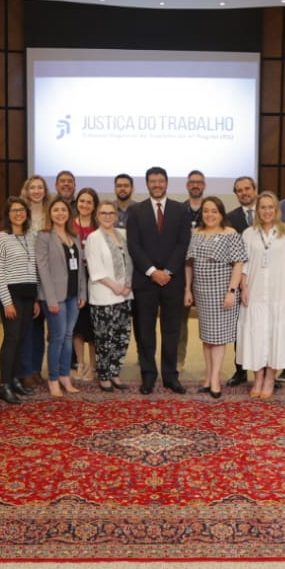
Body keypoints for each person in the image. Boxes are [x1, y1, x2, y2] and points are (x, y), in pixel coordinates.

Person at [125, 166, 192, 394]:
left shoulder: (180, 210)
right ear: (147, 184)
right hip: (145, 281)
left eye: (160, 181)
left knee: (171, 331)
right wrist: (153, 271)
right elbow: (134, 245)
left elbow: (183, 243)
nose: (157, 185)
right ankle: (148, 376)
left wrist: (169, 271)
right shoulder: (135, 211)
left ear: (166, 183)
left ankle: (170, 376)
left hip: (173, 281)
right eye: (152, 181)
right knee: (145, 331)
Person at [237, 192, 285, 398]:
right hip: (255, 292)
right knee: (256, 333)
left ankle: (270, 378)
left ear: (276, 209)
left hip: (279, 294)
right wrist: (244, 288)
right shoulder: (248, 233)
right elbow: (243, 265)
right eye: (262, 207)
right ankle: (258, 377)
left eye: (270, 207)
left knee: (275, 334)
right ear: (258, 210)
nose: (266, 211)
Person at [185, 195, 246, 398]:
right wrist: (187, 289)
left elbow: (238, 264)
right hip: (202, 292)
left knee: (218, 338)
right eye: (206, 211)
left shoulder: (231, 233)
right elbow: (189, 264)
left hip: (222, 292)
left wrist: (232, 291)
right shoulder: (196, 233)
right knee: (207, 337)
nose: (210, 215)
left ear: (221, 213)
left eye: (214, 211)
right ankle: (208, 377)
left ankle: (215, 380)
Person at [0, 197, 41, 404]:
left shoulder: (31, 236)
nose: (18, 213)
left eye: (21, 210)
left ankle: (14, 379)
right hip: (11, 295)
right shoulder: (1, 238)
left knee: (22, 338)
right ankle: (4, 385)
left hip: (29, 294)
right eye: (14, 210)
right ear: (8, 214)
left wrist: (36, 298)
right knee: (11, 339)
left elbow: (35, 268)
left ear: (27, 214)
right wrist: (6, 302)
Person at [37, 196, 86, 396]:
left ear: (69, 214)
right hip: (55, 296)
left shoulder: (73, 237)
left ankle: (66, 376)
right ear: (50, 213)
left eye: (63, 210)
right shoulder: (44, 236)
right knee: (57, 338)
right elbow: (43, 268)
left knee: (68, 337)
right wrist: (50, 299)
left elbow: (80, 269)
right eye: (56, 210)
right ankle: (54, 378)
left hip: (73, 294)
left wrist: (82, 292)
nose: (60, 213)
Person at [86, 200, 135, 391]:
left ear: (116, 216)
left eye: (111, 213)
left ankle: (115, 372)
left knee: (122, 337)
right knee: (104, 338)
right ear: (97, 216)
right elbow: (95, 269)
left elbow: (131, 262)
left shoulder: (123, 235)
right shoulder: (93, 238)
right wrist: (116, 286)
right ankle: (104, 375)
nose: (107, 216)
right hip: (104, 296)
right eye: (103, 213)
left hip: (125, 295)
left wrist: (127, 286)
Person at [223, 175, 260, 388]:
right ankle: (240, 370)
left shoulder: (267, 213)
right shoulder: (229, 218)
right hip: (239, 277)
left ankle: (264, 370)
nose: (244, 193)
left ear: (254, 190)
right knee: (241, 326)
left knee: (263, 325)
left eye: (247, 189)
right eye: (239, 190)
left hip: (264, 277)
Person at [20, 174, 52, 385]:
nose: (37, 191)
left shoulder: (52, 213)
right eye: (33, 187)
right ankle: (25, 370)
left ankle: (36, 369)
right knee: (27, 325)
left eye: (40, 187)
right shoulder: (21, 214)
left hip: (48, 276)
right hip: (26, 273)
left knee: (41, 327)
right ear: (27, 190)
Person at [71, 188, 101, 379]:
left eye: (89, 202)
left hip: (96, 279)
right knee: (77, 326)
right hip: (74, 279)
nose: (85, 205)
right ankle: (80, 363)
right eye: (82, 201)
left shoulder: (99, 226)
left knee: (93, 326)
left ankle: (93, 365)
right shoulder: (69, 225)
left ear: (94, 205)